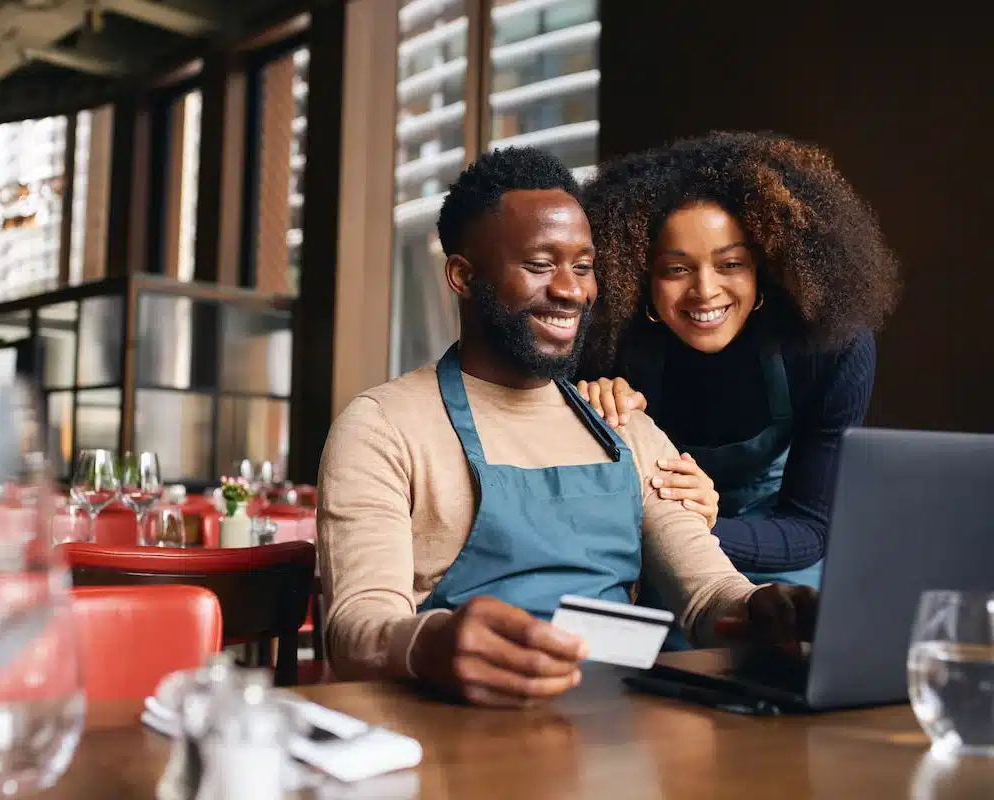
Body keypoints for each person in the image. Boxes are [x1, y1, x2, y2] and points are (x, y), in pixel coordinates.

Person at [316, 146, 815, 707]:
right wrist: (429, 643)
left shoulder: (623, 426)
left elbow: (708, 597)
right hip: (453, 739)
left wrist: (766, 609)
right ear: (462, 276)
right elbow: (356, 627)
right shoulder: (384, 427)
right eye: (539, 265)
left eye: (582, 267)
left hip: (617, 743)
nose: (571, 290)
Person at [575, 131, 900, 606]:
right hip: (656, 549)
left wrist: (706, 523)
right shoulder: (608, 344)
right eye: (676, 269)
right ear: (639, 276)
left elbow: (811, 527)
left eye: (730, 263)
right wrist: (590, 411)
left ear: (764, 266)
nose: (705, 291)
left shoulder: (829, 346)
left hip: (782, 550)